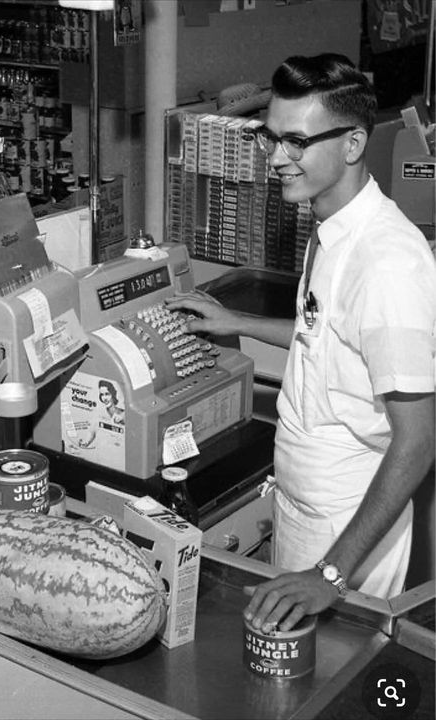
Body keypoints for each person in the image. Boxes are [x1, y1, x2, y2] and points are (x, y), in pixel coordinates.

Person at [166, 54, 436, 633]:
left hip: (348, 529)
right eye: (272, 139)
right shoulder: (329, 227)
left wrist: (331, 575)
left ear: (353, 143)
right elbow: (329, 338)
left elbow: (419, 440)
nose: (278, 159)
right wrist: (232, 321)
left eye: (296, 142)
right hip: (300, 503)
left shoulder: (388, 263)